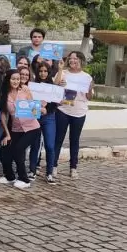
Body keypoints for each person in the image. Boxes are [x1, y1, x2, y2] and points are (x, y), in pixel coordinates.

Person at [0, 69, 40, 190]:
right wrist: (7, 134)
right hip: (16, 129)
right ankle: (10, 176)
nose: (16, 81)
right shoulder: (4, 94)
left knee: (18, 150)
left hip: (31, 127)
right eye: (13, 79)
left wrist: (37, 109)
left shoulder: (25, 90)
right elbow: (4, 115)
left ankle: (24, 179)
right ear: (8, 79)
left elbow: (33, 106)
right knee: (4, 151)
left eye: (18, 79)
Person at [54, 51, 92, 180]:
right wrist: (60, 69)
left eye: (75, 59)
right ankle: (53, 166)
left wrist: (89, 88)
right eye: (71, 59)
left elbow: (89, 97)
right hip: (63, 110)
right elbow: (55, 85)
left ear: (81, 60)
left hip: (79, 111)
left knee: (74, 140)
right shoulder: (64, 73)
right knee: (58, 139)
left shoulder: (87, 77)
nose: (72, 61)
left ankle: (73, 167)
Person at [30, 60, 60, 183]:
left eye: (45, 71)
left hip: (48, 117)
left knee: (49, 145)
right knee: (35, 145)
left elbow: (55, 102)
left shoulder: (52, 86)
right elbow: (29, 101)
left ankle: (49, 173)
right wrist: (38, 109)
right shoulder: (33, 85)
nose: (43, 73)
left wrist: (46, 110)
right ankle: (32, 171)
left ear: (49, 72)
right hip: (35, 116)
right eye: (41, 71)